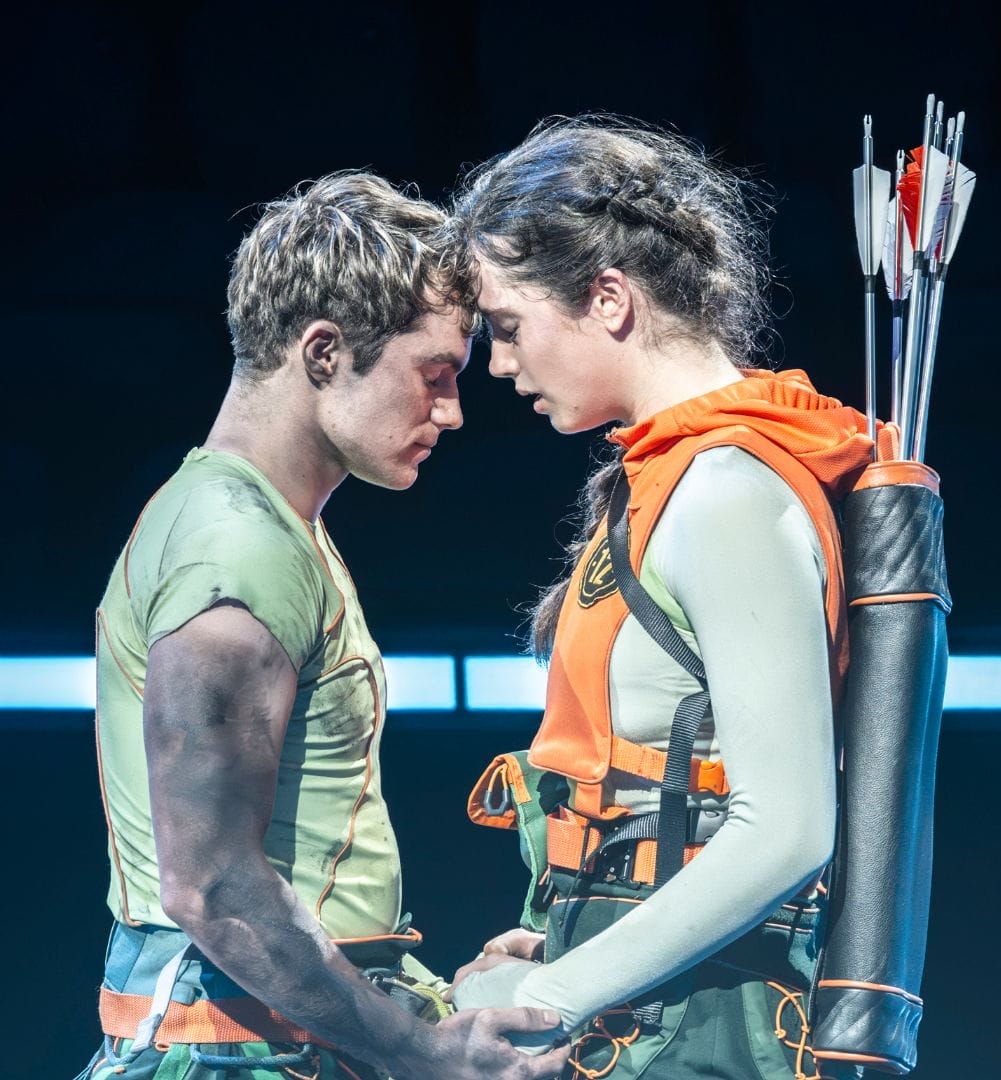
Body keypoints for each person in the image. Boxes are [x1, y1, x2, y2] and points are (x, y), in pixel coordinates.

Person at [80, 171, 570, 1080]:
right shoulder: (238, 546)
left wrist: (422, 1001)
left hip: (274, 1041)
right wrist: (418, 1051)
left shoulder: (264, 527)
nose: (452, 411)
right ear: (322, 351)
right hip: (236, 1055)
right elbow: (213, 888)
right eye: (433, 375)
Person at [448, 118, 878, 1078]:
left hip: (707, 1037)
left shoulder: (727, 491)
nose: (500, 365)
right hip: (662, 1013)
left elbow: (786, 830)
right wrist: (575, 937)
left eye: (507, 327)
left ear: (608, 299)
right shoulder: (671, 480)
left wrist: (551, 995)